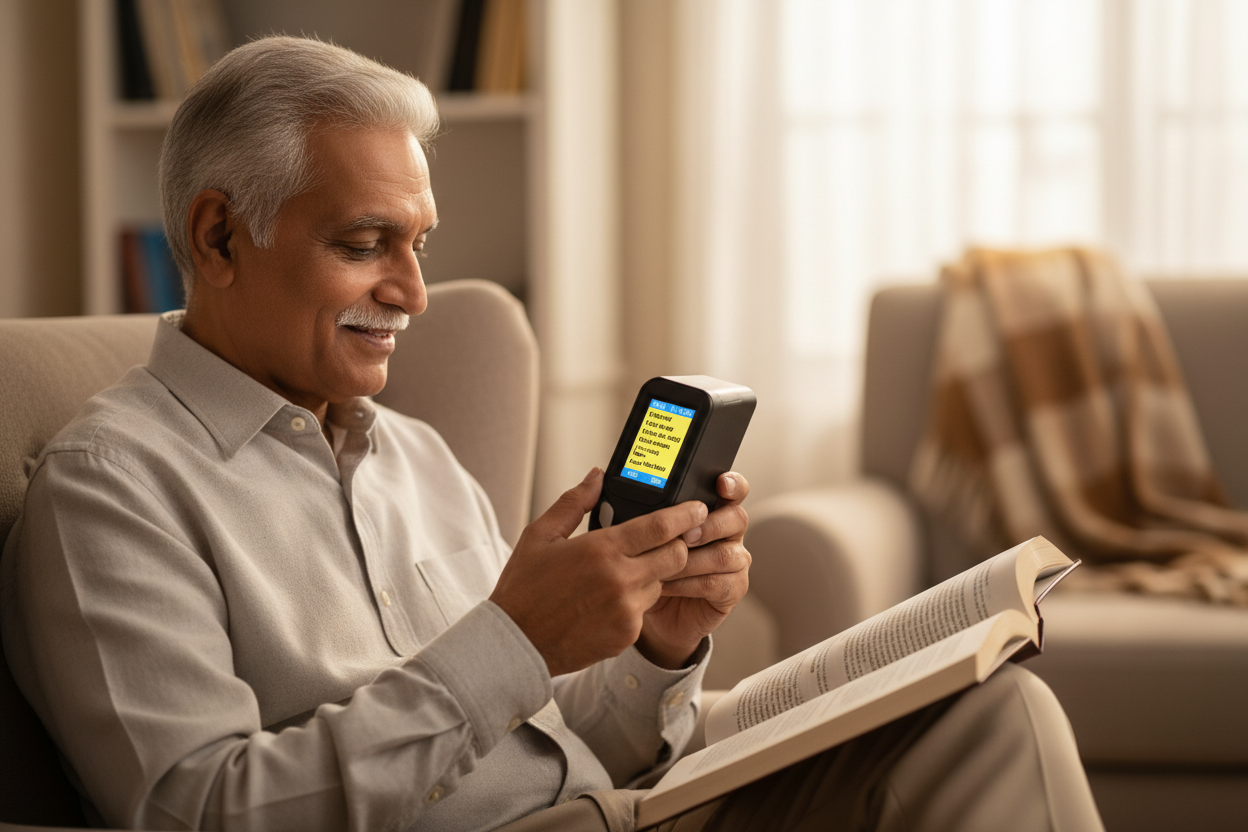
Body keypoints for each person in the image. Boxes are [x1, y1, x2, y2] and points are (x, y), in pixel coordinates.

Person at [0, 36, 1103, 832]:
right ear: (218, 235)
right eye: (367, 241)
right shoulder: (112, 489)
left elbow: (570, 737)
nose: (414, 294)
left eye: (421, 243)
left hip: (620, 806)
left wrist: (660, 646)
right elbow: (200, 810)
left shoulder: (415, 458)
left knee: (995, 715)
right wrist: (512, 642)